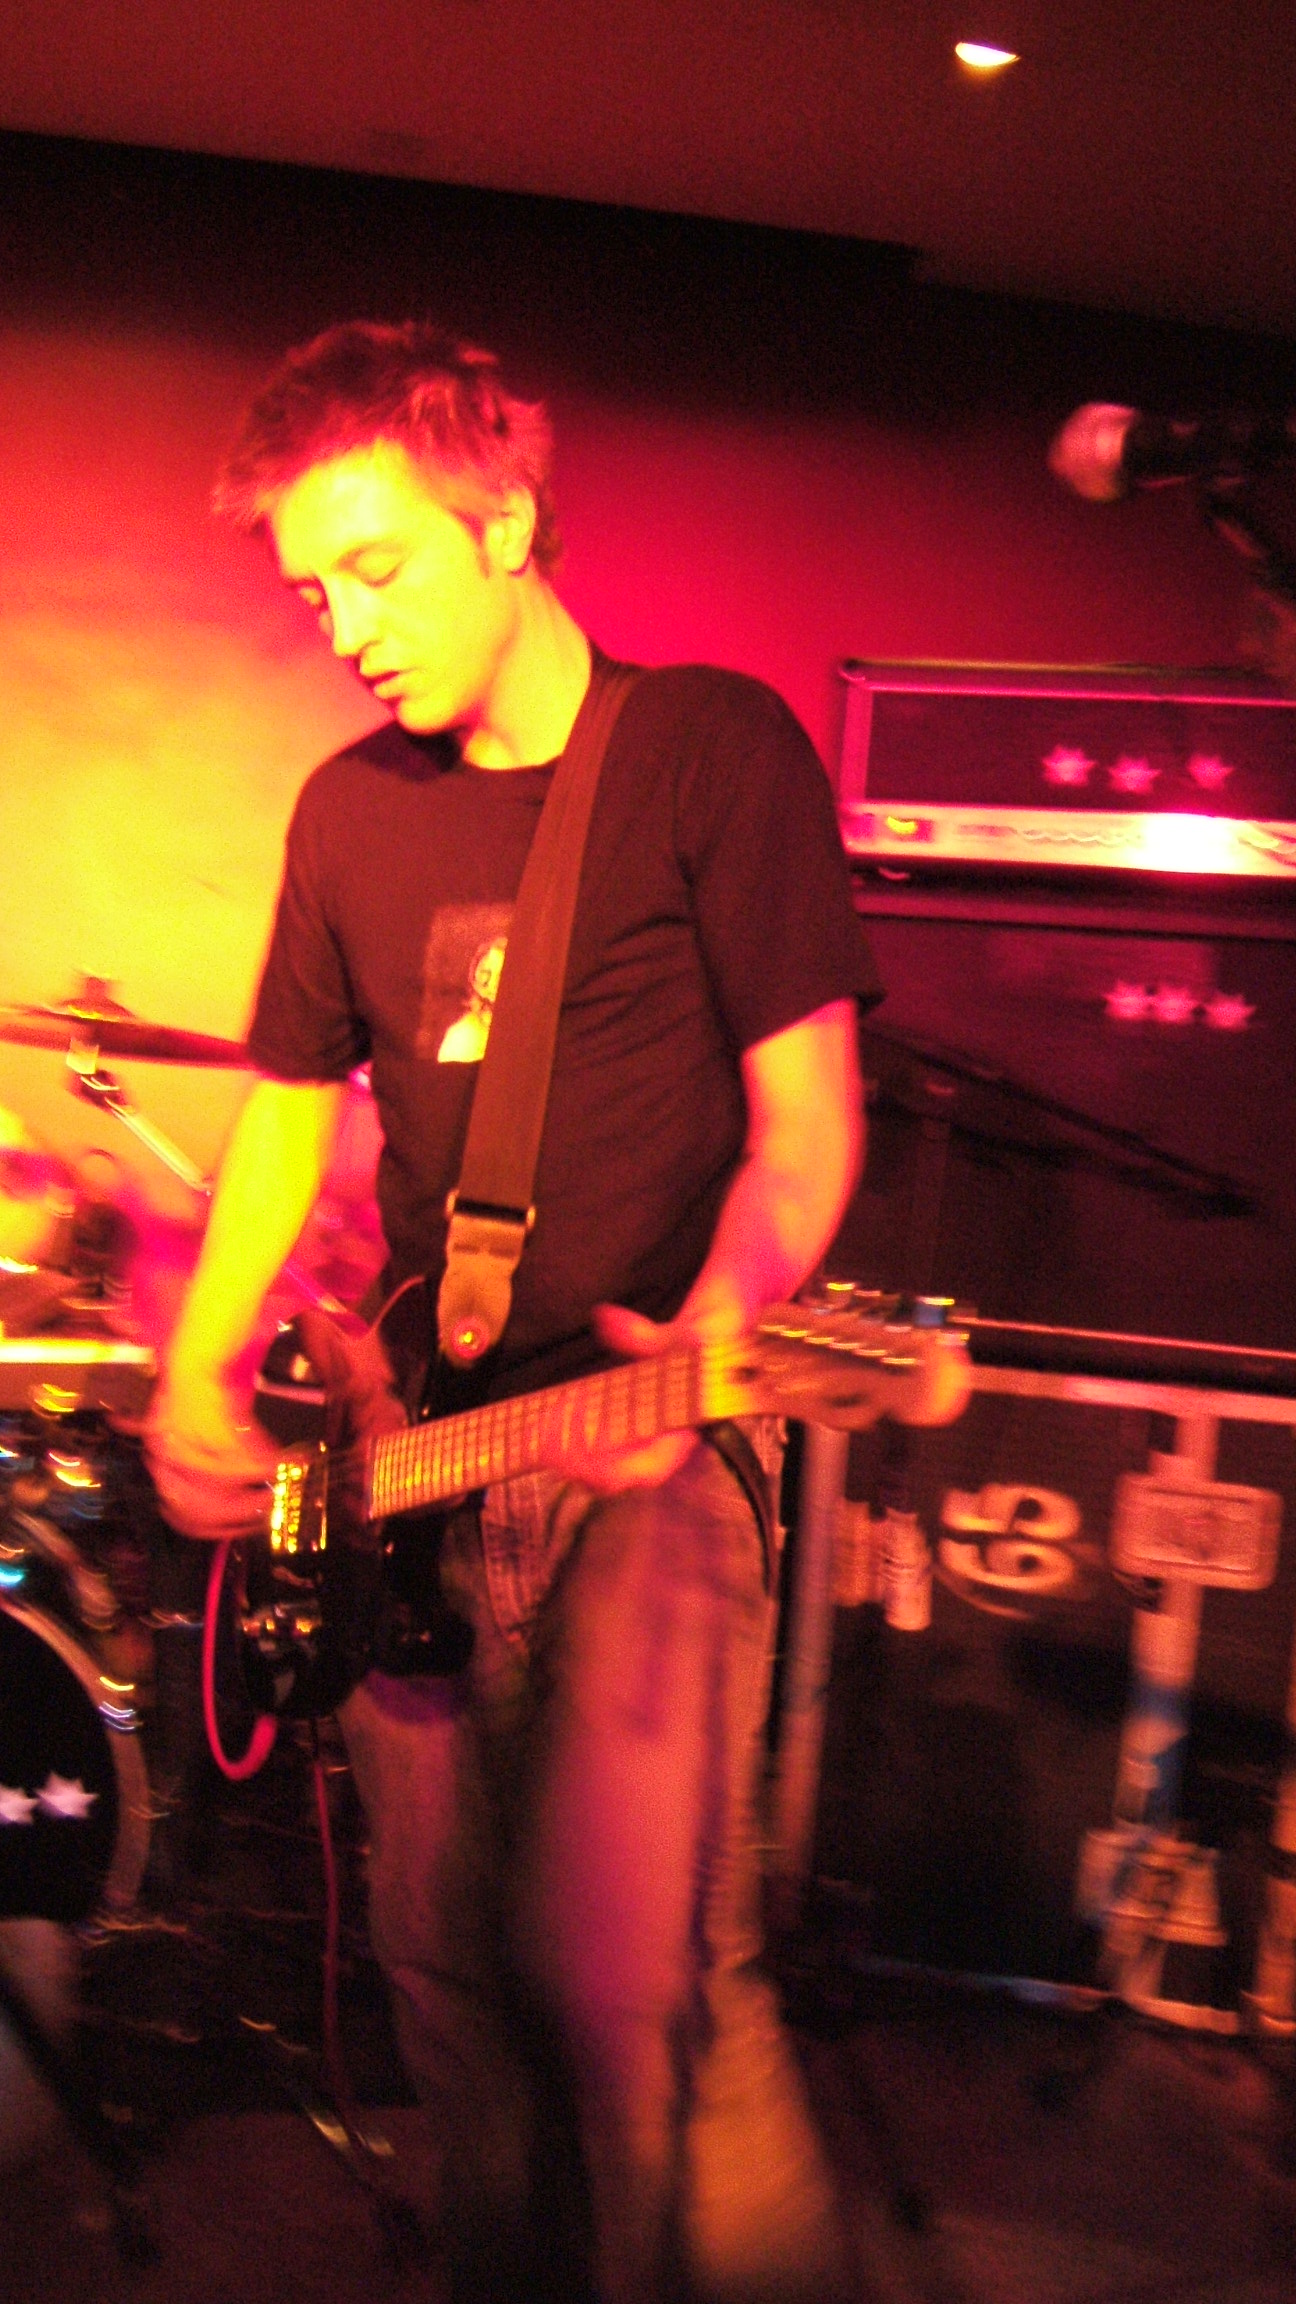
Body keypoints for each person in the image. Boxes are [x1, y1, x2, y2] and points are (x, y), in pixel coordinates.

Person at [146, 321, 881, 2303]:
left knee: (643, 2003)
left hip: (642, 1461)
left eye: (376, 568)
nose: (345, 626)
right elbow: (287, 1135)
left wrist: (720, 1322)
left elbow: (808, 1131)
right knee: (450, 1999)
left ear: (511, 518)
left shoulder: (703, 750)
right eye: (311, 592)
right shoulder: (345, 812)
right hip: (420, 1475)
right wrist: (198, 1370)